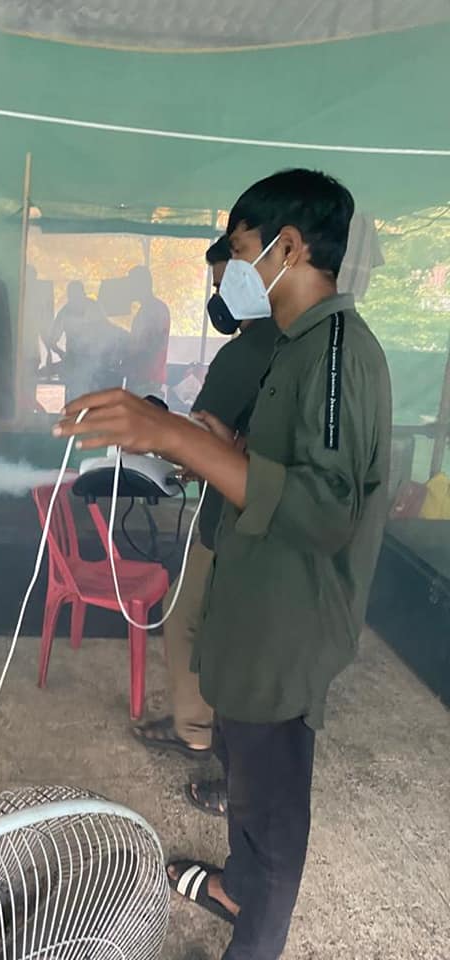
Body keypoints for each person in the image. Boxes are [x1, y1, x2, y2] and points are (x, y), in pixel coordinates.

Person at [53, 168, 392, 960]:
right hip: (252, 607)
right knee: (242, 772)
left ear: (289, 247)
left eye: (241, 251)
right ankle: (237, 884)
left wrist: (177, 438)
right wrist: (212, 443)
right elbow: (271, 464)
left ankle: (256, 936)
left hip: (287, 625)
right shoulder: (293, 347)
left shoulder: (336, 353)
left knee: (273, 813)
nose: (233, 270)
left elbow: (326, 512)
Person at [133, 235, 279, 824]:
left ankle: (226, 763)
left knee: (209, 634)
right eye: (216, 285)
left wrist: (162, 435)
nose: (219, 296)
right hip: (252, 523)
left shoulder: (248, 353)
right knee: (205, 626)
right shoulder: (297, 347)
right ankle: (198, 729)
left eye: (226, 281)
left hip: (236, 524)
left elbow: (205, 444)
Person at [49, 281, 125, 402]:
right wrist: (62, 354)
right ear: (69, 297)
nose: (76, 300)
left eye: (78, 295)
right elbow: (52, 340)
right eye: (73, 296)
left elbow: (107, 328)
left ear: (83, 294)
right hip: (74, 363)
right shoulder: (64, 313)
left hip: (96, 362)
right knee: (74, 395)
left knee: (93, 394)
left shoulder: (94, 307)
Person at [124, 266, 171, 397]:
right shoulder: (149, 309)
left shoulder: (154, 310)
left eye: (131, 284)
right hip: (143, 378)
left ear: (141, 285)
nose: (129, 289)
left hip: (147, 379)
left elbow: (150, 345)